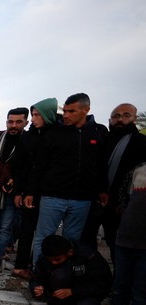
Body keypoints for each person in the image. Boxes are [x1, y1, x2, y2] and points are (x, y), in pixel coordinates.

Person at [31, 93, 108, 265]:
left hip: (82, 199)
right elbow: (40, 165)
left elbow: (102, 165)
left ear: (86, 110)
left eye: (71, 111)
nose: (66, 115)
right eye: (64, 111)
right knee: (43, 237)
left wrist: (102, 189)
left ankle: (65, 274)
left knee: (72, 239)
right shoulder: (54, 133)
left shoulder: (99, 132)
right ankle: (39, 273)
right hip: (52, 196)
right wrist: (31, 191)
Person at [81, 103, 146, 261]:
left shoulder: (140, 143)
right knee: (86, 240)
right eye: (116, 116)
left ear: (134, 119)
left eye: (126, 116)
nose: (120, 119)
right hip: (95, 199)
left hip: (121, 204)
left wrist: (126, 202)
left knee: (116, 244)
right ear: (110, 119)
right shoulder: (104, 139)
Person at [16, 98, 59, 278]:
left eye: (36, 115)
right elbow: (20, 167)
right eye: (32, 115)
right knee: (26, 230)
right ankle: (20, 265)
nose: (33, 119)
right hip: (29, 191)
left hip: (51, 192)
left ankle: (40, 267)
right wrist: (20, 191)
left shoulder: (57, 135)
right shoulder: (27, 137)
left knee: (45, 232)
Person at [105, 163, 146, 305]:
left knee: (141, 292)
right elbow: (123, 202)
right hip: (125, 239)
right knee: (120, 286)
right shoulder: (137, 171)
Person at [30, 235, 112, 305]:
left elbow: (102, 286)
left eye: (57, 259)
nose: (53, 263)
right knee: (59, 276)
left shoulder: (88, 257)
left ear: (70, 252)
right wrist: (37, 287)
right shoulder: (47, 257)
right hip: (57, 293)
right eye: (50, 260)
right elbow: (36, 277)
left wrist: (72, 291)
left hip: (84, 293)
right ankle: (55, 304)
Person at [0, 107, 29, 273]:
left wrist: (15, 180)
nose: (14, 125)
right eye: (10, 121)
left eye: (18, 122)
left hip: (13, 192)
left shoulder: (28, 140)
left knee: (5, 226)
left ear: (26, 122)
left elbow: (29, 166)